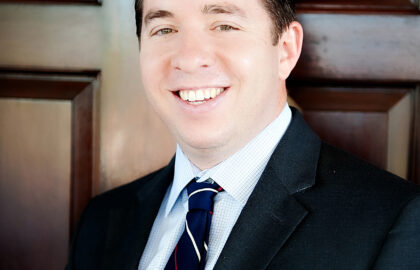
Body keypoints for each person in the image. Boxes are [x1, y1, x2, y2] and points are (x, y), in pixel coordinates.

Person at [66, 0, 420, 269]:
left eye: (224, 25)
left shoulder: (394, 221)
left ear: (286, 50)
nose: (189, 59)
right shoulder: (103, 219)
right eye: (165, 30)